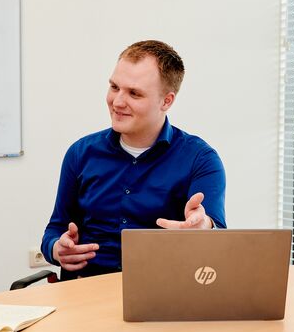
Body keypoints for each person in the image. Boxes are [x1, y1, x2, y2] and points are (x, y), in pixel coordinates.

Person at [41, 40, 226, 279]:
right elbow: (55, 229)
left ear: (166, 101)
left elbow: (217, 235)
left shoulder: (200, 159)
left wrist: (204, 228)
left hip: (162, 291)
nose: (117, 102)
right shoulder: (80, 153)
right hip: (86, 291)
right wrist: (56, 249)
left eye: (134, 93)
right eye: (114, 87)